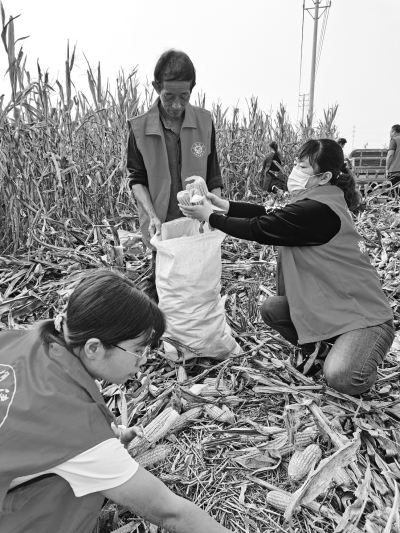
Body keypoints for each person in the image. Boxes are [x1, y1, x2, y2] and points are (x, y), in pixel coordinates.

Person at [0, 270, 232, 533]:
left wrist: (111, 435)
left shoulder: (17, 341)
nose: (144, 360)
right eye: (138, 350)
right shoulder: (79, 431)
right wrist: (99, 443)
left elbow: (29, 430)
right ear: (94, 348)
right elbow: (170, 512)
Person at [179, 139, 395, 396]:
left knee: (342, 377)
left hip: (365, 319)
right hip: (337, 308)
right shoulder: (316, 199)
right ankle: (321, 350)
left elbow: (259, 227)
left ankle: (359, 362)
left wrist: (211, 217)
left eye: (302, 167)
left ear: (324, 176)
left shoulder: (318, 210)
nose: (294, 171)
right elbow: (268, 212)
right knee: (273, 308)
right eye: (296, 164)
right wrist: (223, 205)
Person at [127, 49, 223, 298]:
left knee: (196, 289)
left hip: (197, 222)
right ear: (156, 87)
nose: (177, 105)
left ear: (192, 89)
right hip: (161, 224)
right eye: (169, 96)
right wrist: (152, 216)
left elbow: (213, 176)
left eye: (184, 96)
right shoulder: (139, 128)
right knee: (163, 287)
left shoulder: (204, 123)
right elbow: (137, 180)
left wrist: (214, 214)